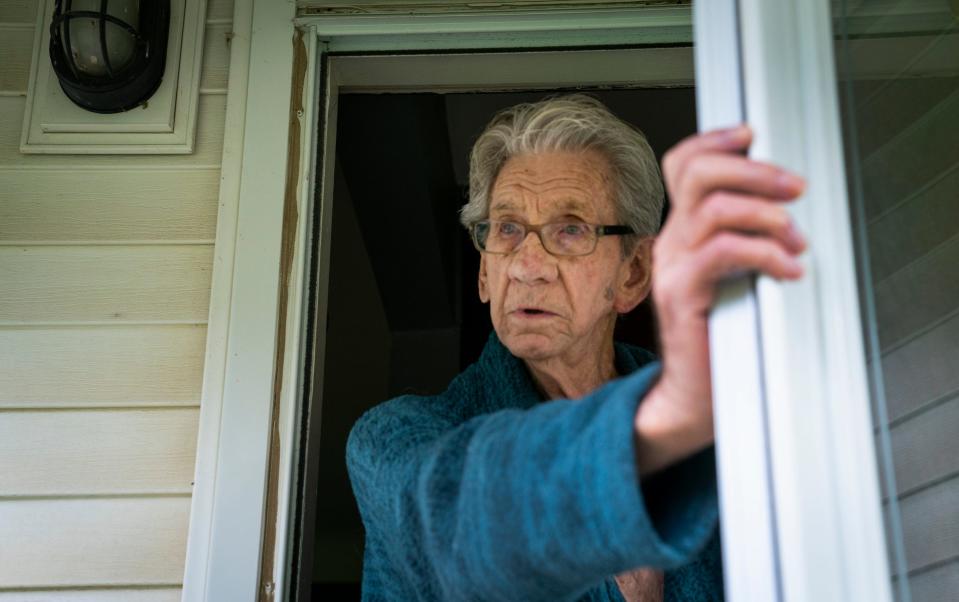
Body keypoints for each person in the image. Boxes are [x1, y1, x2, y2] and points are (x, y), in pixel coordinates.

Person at [346, 94, 806, 601]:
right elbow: (471, 523)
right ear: (483, 269)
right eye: (506, 229)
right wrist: (667, 418)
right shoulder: (392, 439)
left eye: (569, 230)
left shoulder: (720, 441)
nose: (527, 265)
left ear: (632, 273)